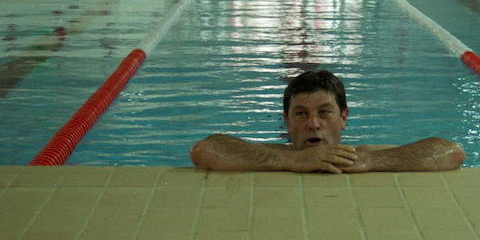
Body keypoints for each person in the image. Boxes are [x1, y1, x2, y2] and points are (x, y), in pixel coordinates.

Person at [190, 70, 465, 173]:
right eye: (301, 114)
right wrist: (291, 161)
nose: (313, 124)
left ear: (343, 118)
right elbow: (204, 149)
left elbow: (451, 152)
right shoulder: (276, 156)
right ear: (286, 121)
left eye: (324, 112)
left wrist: (371, 162)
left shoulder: (362, 156)